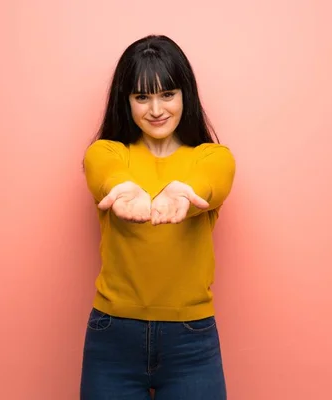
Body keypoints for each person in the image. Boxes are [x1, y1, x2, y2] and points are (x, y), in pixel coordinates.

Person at [80, 34, 236, 400]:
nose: (155, 109)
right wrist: (122, 187)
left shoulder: (211, 157)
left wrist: (184, 191)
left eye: (167, 94)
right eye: (141, 96)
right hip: (113, 337)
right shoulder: (109, 153)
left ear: (186, 95)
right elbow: (102, 167)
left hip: (191, 342)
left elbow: (213, 179)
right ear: (126, 100)